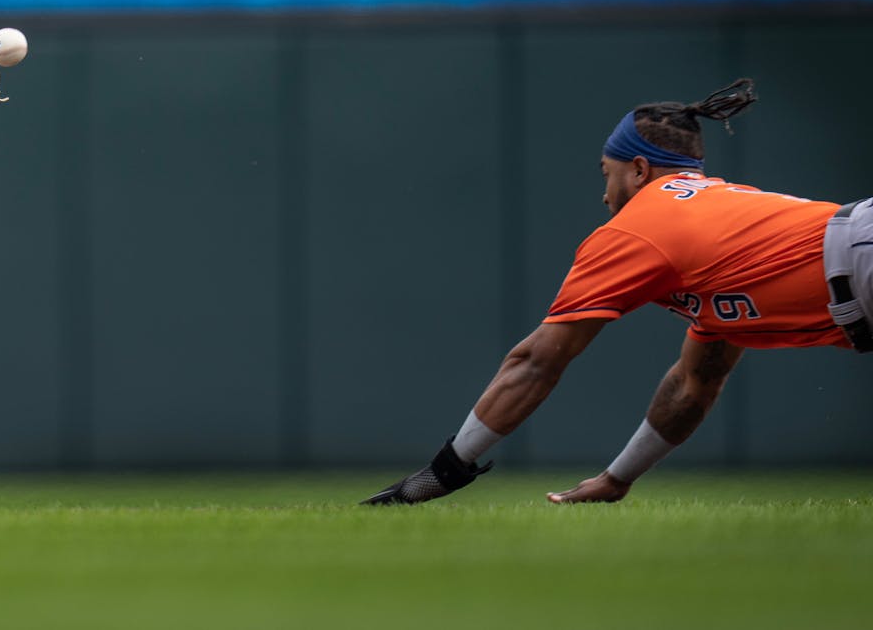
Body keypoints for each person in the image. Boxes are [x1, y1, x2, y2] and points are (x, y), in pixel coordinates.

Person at [362, 78, 872, 506]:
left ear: (639, 169)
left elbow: (536, 362)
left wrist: (443, 472)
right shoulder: (724, 222)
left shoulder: (640, 225)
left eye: (607, 175)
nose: (605, 194)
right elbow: (695, 381)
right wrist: (617, 478)